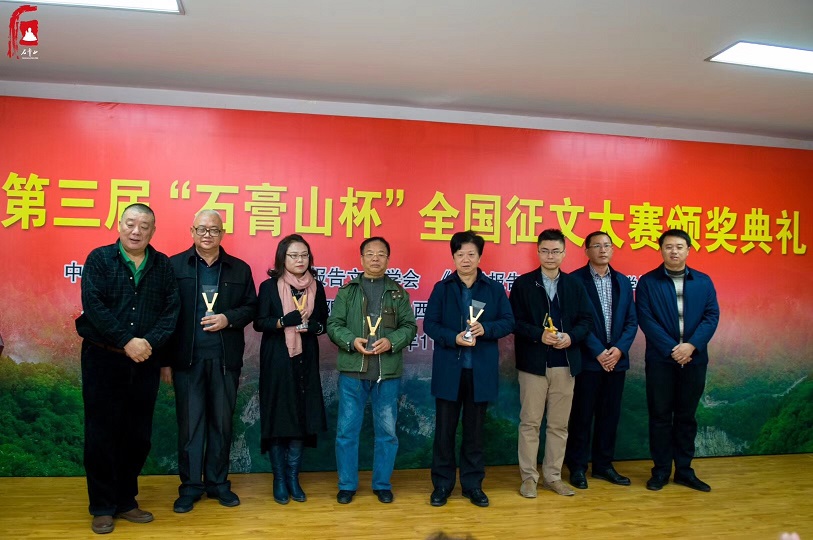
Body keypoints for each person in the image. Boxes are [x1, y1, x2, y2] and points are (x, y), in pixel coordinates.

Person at [75, 203, 180, 534]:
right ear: (119, 224)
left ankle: (125, 500)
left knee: (137, 436)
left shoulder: (162, 265)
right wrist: (126, 341)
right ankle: (102, 506)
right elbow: (94, 306)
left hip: (145, 359)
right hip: (103, 359)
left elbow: (171, 311)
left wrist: (147, 343)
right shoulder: (99, 259)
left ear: (153, 231)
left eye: (144, 226)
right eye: (131, 223)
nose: (136, 231)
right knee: (101, 434)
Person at [162, 210, 257, 513]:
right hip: (187, 361)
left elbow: (251, 307)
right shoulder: (174, 265)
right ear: (192, 231)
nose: (207, 235)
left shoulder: (239, 269)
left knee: (222, 424)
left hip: (225, 361)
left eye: (214, 230)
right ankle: (190, 487)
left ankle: (218, 484)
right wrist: (165, 360)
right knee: (190, 427)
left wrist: (228, 318)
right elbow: (165, 315)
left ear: (222, 233)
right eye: (202, 229)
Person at [424, 230, 515, 508]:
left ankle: (473, 485)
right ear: (453, 257)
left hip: (480, 371)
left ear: (480, 256)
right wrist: (453, 337)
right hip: (449, 371)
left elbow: (508, 322)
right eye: (460, 254)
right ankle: (442, 485)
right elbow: (430, 325)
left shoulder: (493, 289)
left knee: (475, 433)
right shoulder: (442, 288)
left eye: (471, 254)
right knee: (444, 432)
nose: (465, 259)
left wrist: (485, 329)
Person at [326, 237, 417, 504]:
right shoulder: (348, 292)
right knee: (346, 433)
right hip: (352, 373)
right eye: (370, 254)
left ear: (388, 259)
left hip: (386, 375)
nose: (375, 258)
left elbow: (410, 327)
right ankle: (347, 485)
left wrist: (392, 341)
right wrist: (351, 341)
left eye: (381, 254)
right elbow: (334, 325)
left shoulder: (398, 293)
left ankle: (382, 484)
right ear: (361, 258)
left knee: (387, 434)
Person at [509, 228, 593, 498]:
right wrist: (538, 334)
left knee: (558, 425)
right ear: (537, 252)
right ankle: (529, 478)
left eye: (556, 251)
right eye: (545, 250)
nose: (550, 256)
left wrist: (571, 337)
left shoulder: (574, 285)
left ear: (564, 253)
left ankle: (553, 476)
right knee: (530, 423)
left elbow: (586, 321)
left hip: (565, 364)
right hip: (533, 365)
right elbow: (513, 322)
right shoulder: (523, 284)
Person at [636, 229, 719, 492]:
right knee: (660, 416)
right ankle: (660, 471)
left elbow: (711, 316)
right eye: (669, 246)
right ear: (661, 250)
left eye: (679, 247)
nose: (674, 251)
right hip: (661, 360)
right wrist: (673, 349)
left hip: (694, 359)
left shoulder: (703, 281)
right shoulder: (648, 282)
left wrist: (691, 346)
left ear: (688, 250)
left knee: (686, 417)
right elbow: (646, 319)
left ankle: (684, 470)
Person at [254, 234, 328, 505]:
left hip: (306, 358)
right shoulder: (269, 287)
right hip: (277, 359)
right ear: (282, 258)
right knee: (278, 417)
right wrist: (282, 321)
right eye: (294, 255)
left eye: (304, 255)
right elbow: (259, 322)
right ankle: (279, 479)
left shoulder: (316, 287)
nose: (300, 260)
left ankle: (294, 478)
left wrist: (316, 326)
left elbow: (324, 322)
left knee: (301, 417)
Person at [564, 231, 638, 489]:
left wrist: (618, 350)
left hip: (616, 361)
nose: (603, 250)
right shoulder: (574, 280)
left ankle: (604, 465)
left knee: (610, 416)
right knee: (581, 416)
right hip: (588, 360)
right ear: (586, 251)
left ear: (613, 249)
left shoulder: (622, 281)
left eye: (607, 245)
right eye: (597, 246)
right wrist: (598, 351)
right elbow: (574, 322)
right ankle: (577, 466)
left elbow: (631, 321)